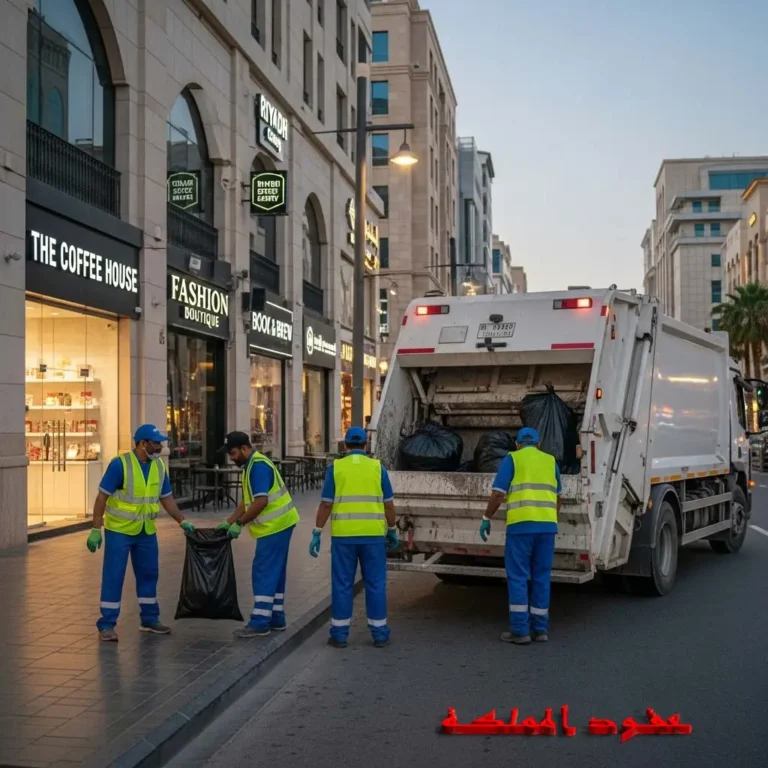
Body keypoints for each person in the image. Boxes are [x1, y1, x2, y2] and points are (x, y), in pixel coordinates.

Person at [87, 424, 195, 642]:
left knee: (149, 575)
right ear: (143, 443)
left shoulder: (158, 467)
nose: (160, 447)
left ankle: (149, 619)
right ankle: (106, 624)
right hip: (119, 531)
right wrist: (95, 528)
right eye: (156, 443)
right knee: (114, 576)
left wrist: (182, 521)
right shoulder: (120, 465)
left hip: (146, 532)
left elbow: (167, 498)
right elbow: (102, 498)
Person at [309, 426, 399, 648]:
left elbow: (325, 504)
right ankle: (380, 634)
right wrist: (392, 529)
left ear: (345, 445)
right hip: (374, 538)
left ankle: (339, 635)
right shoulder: (379, 469)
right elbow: (388, 504)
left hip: (344, 538)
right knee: (376, 584)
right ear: (366, 445)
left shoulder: (336, 468)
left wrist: (317, 532)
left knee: (342, 585)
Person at [479, 427, 561, 645]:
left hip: (521, 528)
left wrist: (487, 516)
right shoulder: (550, 461)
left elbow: (498, 494)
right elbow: (558, 497)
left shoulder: (512, 459)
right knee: (542, 576)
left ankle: (520, 630)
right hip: (547, 528)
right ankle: (541, 629)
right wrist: (550, 518)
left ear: (517, 444)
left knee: (518, 577)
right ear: (539, 444)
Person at [217, 431, 299, 638]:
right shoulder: (251, 465)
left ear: (245, 448)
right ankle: (276, 618)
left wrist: (240, 524)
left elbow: (260, 502)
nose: (232, 458)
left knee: (263, 570)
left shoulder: (258, 467)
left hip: (275, 526)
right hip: (281, 524)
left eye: (234, 453)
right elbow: (247, 500)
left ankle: (260, 621)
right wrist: (229, 521)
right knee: (275, 571)